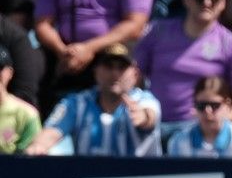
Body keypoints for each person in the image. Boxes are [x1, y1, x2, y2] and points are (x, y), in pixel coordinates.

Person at [134, 0, 232, 125]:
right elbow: (134, 77)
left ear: (223, 2)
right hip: (152, 125)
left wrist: (212, 122)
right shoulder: (157, 31)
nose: (207, 3)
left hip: (198, 136)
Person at [23, 41, 159, 155]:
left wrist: (144, 117)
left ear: (135, 74)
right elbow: (52, 131)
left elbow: (150, 115)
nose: (114, 73)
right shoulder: (76, 103)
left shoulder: (144, 100)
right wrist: (38, 146)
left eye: (121, 67)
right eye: (108, 66)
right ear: (96, 71)